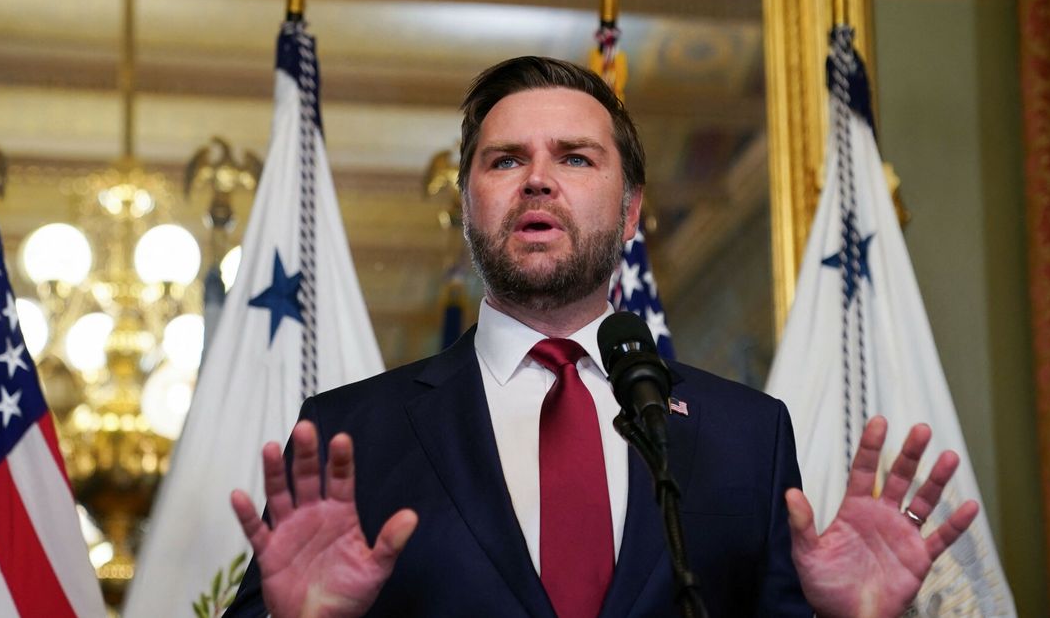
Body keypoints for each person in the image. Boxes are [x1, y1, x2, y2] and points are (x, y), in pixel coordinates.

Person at [224, 56, 978, 618]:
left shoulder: (747, 436)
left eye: (576, 157)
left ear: (628, 210)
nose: (538, 180)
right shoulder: (353, 432)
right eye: (506, 159)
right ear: (467, 203)